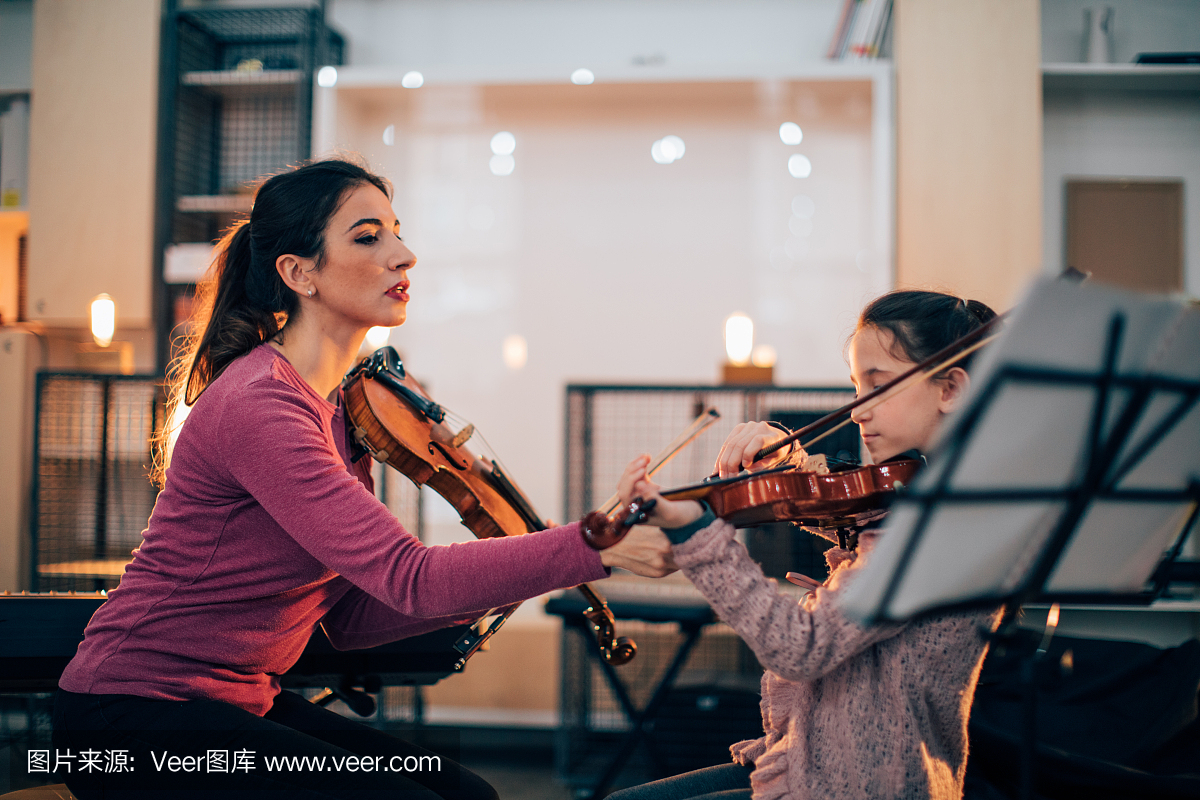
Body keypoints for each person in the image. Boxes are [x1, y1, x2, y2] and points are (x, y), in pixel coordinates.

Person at [52, 158, 676, 800]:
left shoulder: (343, 413)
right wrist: (589, 549)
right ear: (298, 273)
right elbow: (409, 577)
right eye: (368, 236)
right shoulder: (262, 405)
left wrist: (504, 580)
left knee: (467, 795)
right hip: (126, 724)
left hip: (231, 705)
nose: (403, 255)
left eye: (398, 232)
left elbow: (347, 619)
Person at [612, 291, 1003, 800]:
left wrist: (697, 534)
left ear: (950, 387)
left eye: (879, 387)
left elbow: (801, 646)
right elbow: (854, 514)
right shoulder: (926, 499)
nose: (858, 411)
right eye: (856, 387)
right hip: (817, 763)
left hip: (863, 786)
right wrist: (791, 467)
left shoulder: (939, 527)